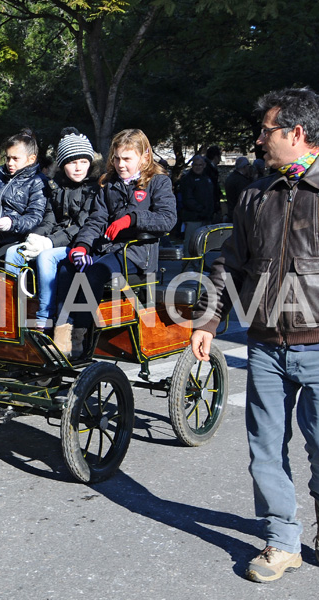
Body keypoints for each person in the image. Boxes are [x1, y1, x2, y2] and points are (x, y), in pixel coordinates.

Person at [191, 87, 319, 583]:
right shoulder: (252, 194)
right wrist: (206, 323)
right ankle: (281, 540)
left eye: (267, 130)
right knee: (266, 450)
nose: (260, 139)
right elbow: (228, 266)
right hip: (264, 344)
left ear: (297, 133)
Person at [53, 128, 176, 358]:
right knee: (66, 268)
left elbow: (167, 219)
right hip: (108, 249)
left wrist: (132, 219)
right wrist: (82, 246)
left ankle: (80, 341)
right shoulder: (109, 184)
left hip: (137, 254)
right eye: (117, 158)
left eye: (127, 159)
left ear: (145, 157)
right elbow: (96, 220)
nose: (121, 164)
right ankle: (61, 337)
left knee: (95, 273)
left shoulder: (158, 182)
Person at [18, 128, 99, 329]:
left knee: (47, 257)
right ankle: (14, 313)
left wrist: (50, 242)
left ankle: (45, 317)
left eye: (83, 161)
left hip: (80, 244)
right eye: (72, 162)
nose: (79, 168)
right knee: (15, 251)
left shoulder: (95, 188)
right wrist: (35, 237)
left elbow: (83, 224)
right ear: (63, 165)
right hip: (59, 239)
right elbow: (50, 218)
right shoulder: (57, 186)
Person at [0, 131, 47, 263]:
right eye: (7, 158)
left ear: (31, 159)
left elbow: (35, 217)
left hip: (18, 241)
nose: (10, 163)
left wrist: (12, 223)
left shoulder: (38, 182)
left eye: (15, 158)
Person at [177, 155, 216, 251]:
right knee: (191, 242)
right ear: (192, 165)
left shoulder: (207, 178)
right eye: (195, 165)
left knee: (204, 243)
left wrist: (211, 210)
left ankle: (201, 264)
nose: (198, 167)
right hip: (193, 217)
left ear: (204, 165)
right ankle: (189, 265)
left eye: (200, 165)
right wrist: (201, 209)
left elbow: (211, 196)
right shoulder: (187, 179)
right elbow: (187, 199)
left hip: (206, 217)